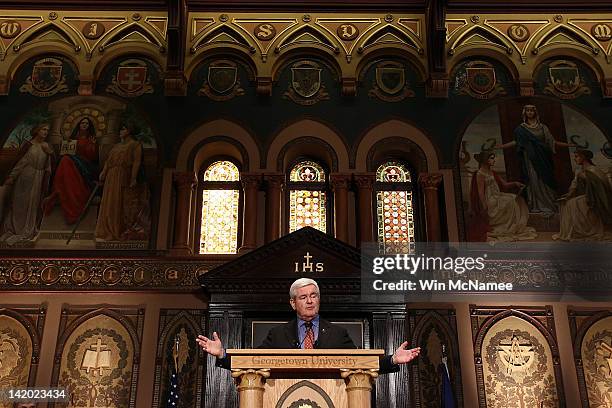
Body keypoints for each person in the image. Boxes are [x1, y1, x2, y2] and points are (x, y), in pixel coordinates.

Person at [196, 278, 421, 373]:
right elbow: (253, 362)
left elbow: (361, 363)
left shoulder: (338, 333)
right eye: (303, 297)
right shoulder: (277, 335)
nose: (310, 300)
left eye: (314, 296)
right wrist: (223, 355)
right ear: (293, 303)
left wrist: (392, 359)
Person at [496, 104, 575, 214]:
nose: (529, 112)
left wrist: (568, 145)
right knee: (534, 181)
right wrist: (502, 146)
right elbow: (516, 142)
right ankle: (536, 206)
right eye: (527, 110)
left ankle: (550, 205)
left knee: (546, 180)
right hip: (530, 161)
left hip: (544, 159)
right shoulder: (521, 129)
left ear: (535, 113)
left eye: (531, 111)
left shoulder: (543, 127)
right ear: (525, 113)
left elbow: (552, 142)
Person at [0, 123, 53, 245]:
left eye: (47, 130)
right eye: (43, 129)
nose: (46, 132)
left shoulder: (46, 146)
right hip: (24, 176)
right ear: (37, 130)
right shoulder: (28, 145)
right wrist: (12, 177)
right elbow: (19, 162)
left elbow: (49, 166)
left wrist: (50, 153)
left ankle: (27, 230)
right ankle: (14, 229)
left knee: (32, 204)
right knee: (20, 204)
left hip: (38, 178)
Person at [468, 150, 537, 242]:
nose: (494, 160)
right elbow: (480, 192)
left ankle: (513, 226)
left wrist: (515, 183)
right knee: (510, 201)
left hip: (497, 195)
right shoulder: (480, 174)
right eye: (492, 158)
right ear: (485, 160)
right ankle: (507, 227)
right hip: (490, 199)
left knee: (515, 198)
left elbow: (504, 184)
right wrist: (484, 206)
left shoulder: (492, 172)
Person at [43, 117, 98, 224]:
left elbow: (92, 157)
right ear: (78, 124)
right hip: (72, 162)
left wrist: (92, 145)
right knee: (65, 159)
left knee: (66, 160)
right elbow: (66, 152)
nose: (84, 125)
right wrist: (67, 144)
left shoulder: (91, 139)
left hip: (85, 165)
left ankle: (57, 190)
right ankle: (59, 189)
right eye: (82, 123)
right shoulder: (72, 138)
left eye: (87, 123)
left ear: (89, 126)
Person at [95, 123, 144, 241]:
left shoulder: (135, 145)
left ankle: (116, 229)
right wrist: (104, 171)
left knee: (118, 200)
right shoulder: (116, 146)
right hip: (111, 175)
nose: (121, 131)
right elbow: (108, 160)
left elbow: (136, 162)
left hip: (123, 174)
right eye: (121, 129)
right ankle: (105, 229)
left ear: (129, 130)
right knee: (109, 201)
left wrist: (133, 178)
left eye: (123, 129)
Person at [553, 149, 612, 241]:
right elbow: (574, 186)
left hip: (593, 199)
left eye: (577, 156)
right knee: (567, 202)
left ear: (583, 157)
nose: (575, 159)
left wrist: (586, 178)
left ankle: (584, 231)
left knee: (572, 203)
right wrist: (567, 196)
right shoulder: (579, 171)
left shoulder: (593, 170)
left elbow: (603, 187)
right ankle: (573, 231)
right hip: (585, 196)